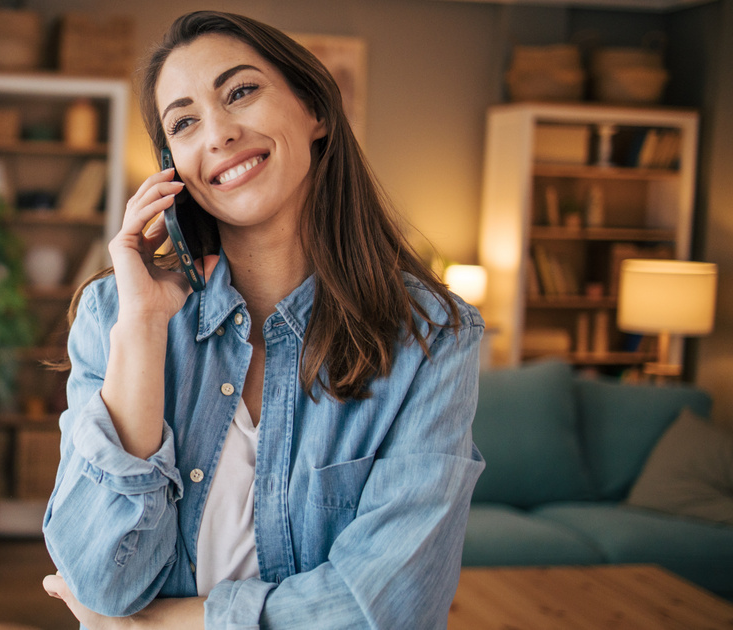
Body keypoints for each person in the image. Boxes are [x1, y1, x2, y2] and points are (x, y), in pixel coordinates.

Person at [40, 10, 484, 629]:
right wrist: (142, 329)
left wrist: (152, 627)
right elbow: (100, 578)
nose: (217, 133)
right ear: (173, 166)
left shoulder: (429, 335)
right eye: (185, 122)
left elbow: (387, 608)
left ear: (315, 111)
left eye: (241, 92)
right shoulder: (117, 314)